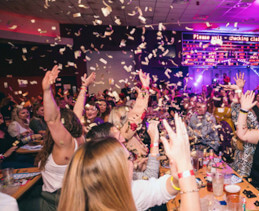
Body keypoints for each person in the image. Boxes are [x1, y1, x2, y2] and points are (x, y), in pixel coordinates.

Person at [59, 115, 200, 211]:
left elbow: (157, 189)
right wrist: (185, 169)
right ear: (113, 171)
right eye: (127, 159)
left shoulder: (120, 191)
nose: (132, 162)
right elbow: (152, 174)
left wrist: (176, 179)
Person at [35, 65, 84, 211]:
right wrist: (84, 88)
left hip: (57, 202)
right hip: (74, 197)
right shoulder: (79, 139)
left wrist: (47, 90)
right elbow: (77, 112)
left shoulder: (66, 145)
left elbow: (52, 120)